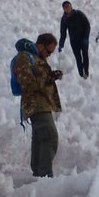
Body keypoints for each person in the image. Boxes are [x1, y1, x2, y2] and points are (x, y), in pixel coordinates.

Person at [12, 33, 63, 177]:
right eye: (48, 51)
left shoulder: (36, 58)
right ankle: (45, 175)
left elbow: (39, 78)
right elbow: (27, 82)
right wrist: (48, 78)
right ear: (40, 45)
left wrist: (51, 76)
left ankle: (38, 173)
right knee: (50, 137)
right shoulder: (24, 57)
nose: (48, 56)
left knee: (41, 138)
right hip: (35, 105)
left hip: (42, 104)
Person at [58, 0, 91, 78]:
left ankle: (86, 72)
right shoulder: (64, 19)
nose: (68, 8)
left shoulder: (79, 14)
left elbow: (87, 25)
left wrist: (86, 38)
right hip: (74, 41)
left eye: (68, 6)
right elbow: (63, 33)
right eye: (65, 7)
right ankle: (81, 74)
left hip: (83, 39)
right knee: (78, 57)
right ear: (63, 9)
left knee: (85, 55)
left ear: (71, 6)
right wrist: (61, 44)